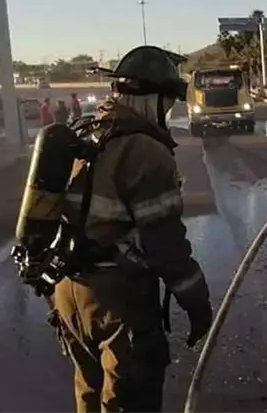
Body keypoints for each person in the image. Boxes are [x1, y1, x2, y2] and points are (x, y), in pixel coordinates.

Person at [50, 45, 212, 413]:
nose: (169, 112)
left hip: (70, 292)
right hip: (117, 300)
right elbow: (164, 242)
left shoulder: (89, 132)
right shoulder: (145, 150)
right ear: (153, 98)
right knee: (130, 398)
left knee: (90, 391)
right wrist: (196, 300)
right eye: (168, 102)